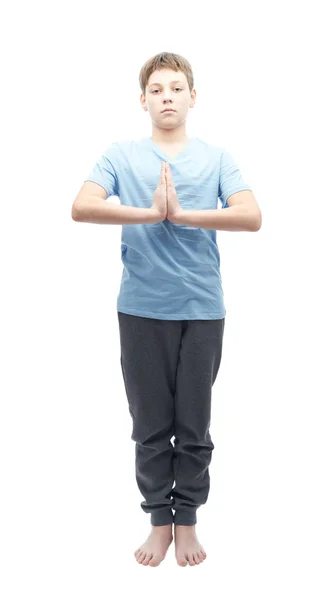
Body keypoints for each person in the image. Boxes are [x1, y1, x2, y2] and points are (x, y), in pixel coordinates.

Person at [72, 51, 262, 567]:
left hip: (202, 309)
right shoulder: (121, 154)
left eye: (176, 88)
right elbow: (81, 204)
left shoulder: (217, 157)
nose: (167, 97)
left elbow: (251, 215)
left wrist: (182, 215)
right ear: (143, 100)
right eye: (157, 89)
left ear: (192, 97)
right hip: (140, 310)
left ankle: (188, 521)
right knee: (151, 422)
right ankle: (160, 520)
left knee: (194, 423)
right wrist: (151, 213)